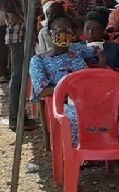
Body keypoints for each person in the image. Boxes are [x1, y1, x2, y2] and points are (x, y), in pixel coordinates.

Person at [0, 0, 38, 131]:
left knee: (20, 77)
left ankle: (20, 116)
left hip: (22, 34)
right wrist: (12, 13)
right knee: (18, 78)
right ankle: (15, 118)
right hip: (19, 36)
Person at [30, 13, 89, 145]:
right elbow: (42, 90)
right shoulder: (39, 60)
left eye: (68, 31)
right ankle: (76, 153)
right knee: (74, 115)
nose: (64, 34)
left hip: (81, 100)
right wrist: (66, 90)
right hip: (61, 103)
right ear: (50, 34)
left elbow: (86, 83)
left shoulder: (76, 58)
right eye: (59, 31)